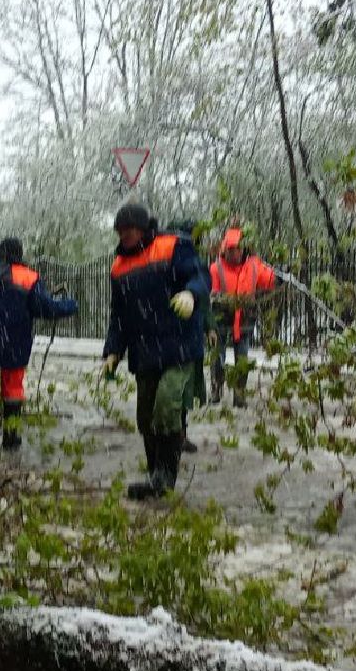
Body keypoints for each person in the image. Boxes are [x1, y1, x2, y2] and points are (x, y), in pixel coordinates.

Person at [101, 202, 209, 500]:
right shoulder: (119, 267)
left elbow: (200, 276)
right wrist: (113, 351)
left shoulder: (173, 246)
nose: (124, 236)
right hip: (145, 350)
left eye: (130, 230)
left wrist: (191, 293)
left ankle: (166, 477)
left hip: (179, 346)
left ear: (144, 228)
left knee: (167, 406)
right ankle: (154, 474)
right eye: (120, 232)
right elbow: (119, 315)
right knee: (146, 416)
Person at [0, 237, 77, 448]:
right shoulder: (28, 277)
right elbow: (45, 309)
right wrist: (70, 305)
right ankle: (11, 436)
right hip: (16, 338)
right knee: (13, 386)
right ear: (19, 254)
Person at [208, 227, 278, 407]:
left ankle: (239, 394)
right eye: (231, 249)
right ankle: (216, 389)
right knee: (218, 356)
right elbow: (212, 293)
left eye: (238, 248)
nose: (235, 253)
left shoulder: (254, 266)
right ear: (224, 250)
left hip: (245, 319)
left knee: (243, 358)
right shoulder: (216, 269)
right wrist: (224, 300)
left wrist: (280, 277)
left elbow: (269, 280)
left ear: (244, 248)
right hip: (221, 319)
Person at [164, 218, 208, 453]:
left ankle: (178, 432)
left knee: (182, 391)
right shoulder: (182, 260)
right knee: (177, 391)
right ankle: (175, 434)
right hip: (180, 338)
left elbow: (203, 294)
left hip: (188, 338)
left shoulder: (189, 263)